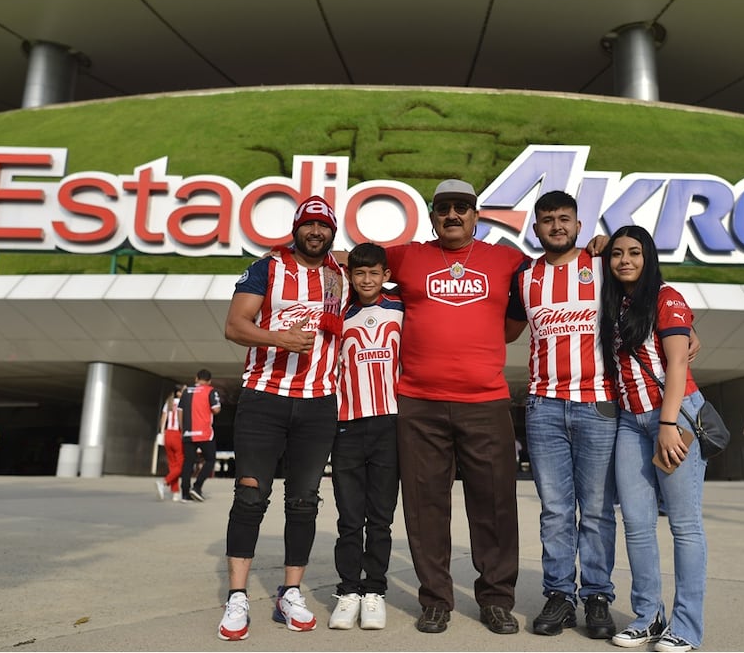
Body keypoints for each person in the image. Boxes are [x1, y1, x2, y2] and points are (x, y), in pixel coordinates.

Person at [384, 179, 529, 635]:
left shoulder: (506, 260)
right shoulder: (407, 256)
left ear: (475, 215)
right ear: (433, 216)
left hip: (486, 402)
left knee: (494, 506)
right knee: (425, 507)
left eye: (462, 208)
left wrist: (597, 247)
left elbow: (553, 273)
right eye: (444, 208)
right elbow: (351, 261)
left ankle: (496, 599)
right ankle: (435, 600)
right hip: (420, 405)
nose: (452, 215)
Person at [217, 195, 348, 641]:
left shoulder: (339, 272)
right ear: (296, 228)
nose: (316, 231)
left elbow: (386, 261)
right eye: (308, 224)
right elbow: (234, 325)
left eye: (323, 226)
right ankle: (237, 596)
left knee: (304, 501)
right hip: (264, 399)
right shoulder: (266, 268)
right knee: (250, 496)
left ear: (332, 232)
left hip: (318, 402)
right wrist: (280, 339)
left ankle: (290, 592)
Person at [512, 191, 619, 639]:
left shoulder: (603, 265)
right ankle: (559, 595)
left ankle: (597, 596)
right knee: (555, 511)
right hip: (543, 406)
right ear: (536, 228)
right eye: (547, 220)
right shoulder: (524, 276)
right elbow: (502, 328)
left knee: (596, 510)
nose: (556, 226)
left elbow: (650, 292)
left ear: (578, 225)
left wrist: (685, 328)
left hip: (598, 404)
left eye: (564, 218)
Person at [599, 225, 707, 653]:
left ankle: (687, 627)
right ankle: (648, 616)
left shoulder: (667, 297)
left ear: (649, 257)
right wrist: (600, 245)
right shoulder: (614, 302)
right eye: (617, 253)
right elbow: (594, 249)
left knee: (684, 525)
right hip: (630, 421)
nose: (624, 260)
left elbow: (677, 365)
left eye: (635, 252)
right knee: (637, 524)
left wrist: (667, 424)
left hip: (673, 416)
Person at [328, 243, 403, 631]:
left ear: (386, 274)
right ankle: (348, 591)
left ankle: (374, 590)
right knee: (349, 518)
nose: (367, 280)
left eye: (374, 273)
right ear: (350, 277)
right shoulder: (339, 314)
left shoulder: (402, 308)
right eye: (359, 273)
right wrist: (339, 260)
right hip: (347, 426)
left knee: (380, 519)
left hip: (390, 425)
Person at [179, 369, 222, 502]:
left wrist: (182, 429)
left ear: (196, 378)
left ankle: (185, 494)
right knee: (210, 460)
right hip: (204, 434)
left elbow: (180, 411)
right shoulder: (211, 391)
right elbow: (216, 409)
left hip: (188, 432)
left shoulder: (186, 391)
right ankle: (197, 487)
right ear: (209, 381)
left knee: (188, 462)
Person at [155, 385, 185, 502]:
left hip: (168, 434)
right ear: (178, 393)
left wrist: (162, 432)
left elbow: (163, 419)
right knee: (181, 465)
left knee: (173, 465)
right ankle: (164, 482)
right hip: (177, 434)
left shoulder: (168, 403)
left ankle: (175, 492)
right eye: (183, 391)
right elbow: (183, 419)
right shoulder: (183, 403)